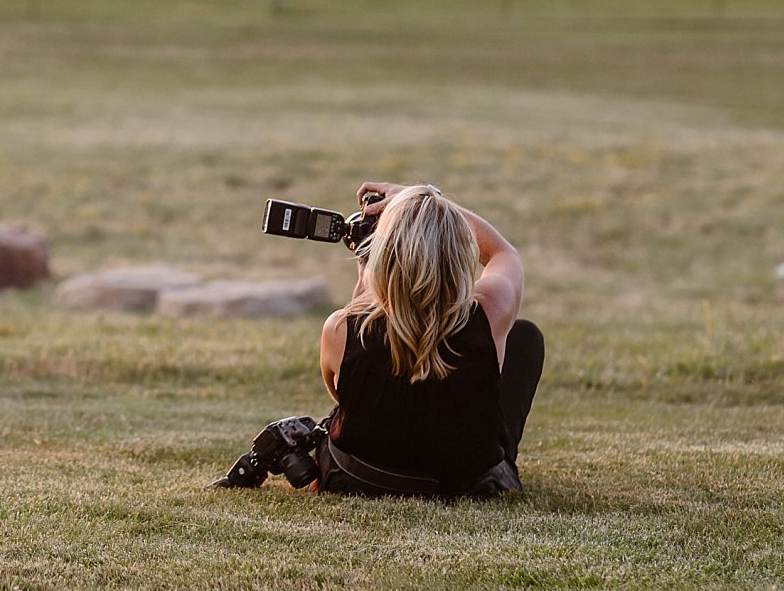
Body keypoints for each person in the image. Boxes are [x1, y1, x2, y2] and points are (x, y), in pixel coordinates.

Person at [215, 182, 542, 498]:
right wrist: (430, 202)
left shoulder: (340, 329)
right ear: (457, 250)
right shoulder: (491, 311)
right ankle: (499, 466)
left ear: (383, 253)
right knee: (524, 338)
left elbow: (342, 394)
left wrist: (401, 218)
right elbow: (503, 253)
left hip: (356, 478)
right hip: (467, 484)